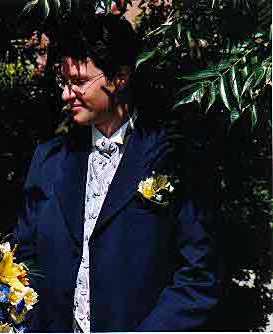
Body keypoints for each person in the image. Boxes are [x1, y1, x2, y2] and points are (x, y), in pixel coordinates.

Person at [14, 14, 223, 332]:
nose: (66, 95)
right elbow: (25, 256)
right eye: (64, 82)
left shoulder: (176, 156)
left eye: (79, 82)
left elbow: (199, 275)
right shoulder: (49, 159)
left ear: (120, 77)